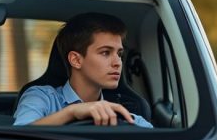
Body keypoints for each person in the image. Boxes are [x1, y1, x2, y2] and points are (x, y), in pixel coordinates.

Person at [14, 12, 152, 127]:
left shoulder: (129, 116)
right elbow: (17, 138)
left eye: (120, 54)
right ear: (76, 60)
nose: (118, 63)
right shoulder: (42, 97)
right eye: (105, 52)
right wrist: (72, 112)